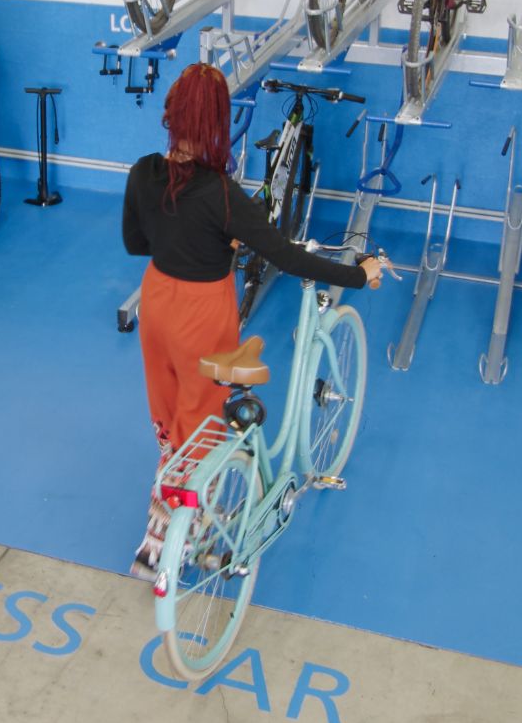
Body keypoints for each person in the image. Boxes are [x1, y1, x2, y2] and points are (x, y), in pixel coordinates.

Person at [121, 62, 380, 577]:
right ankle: (163, 545)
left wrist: (188, 240)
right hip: (201, 315)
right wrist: (357, 273)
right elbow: (287, 257)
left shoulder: (143, 171)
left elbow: (136, 243)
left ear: (172, 114)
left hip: (157, 304)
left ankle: (165, 529)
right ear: (217, 122)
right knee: (204, 429)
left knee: (172, 424)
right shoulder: (223, 195)